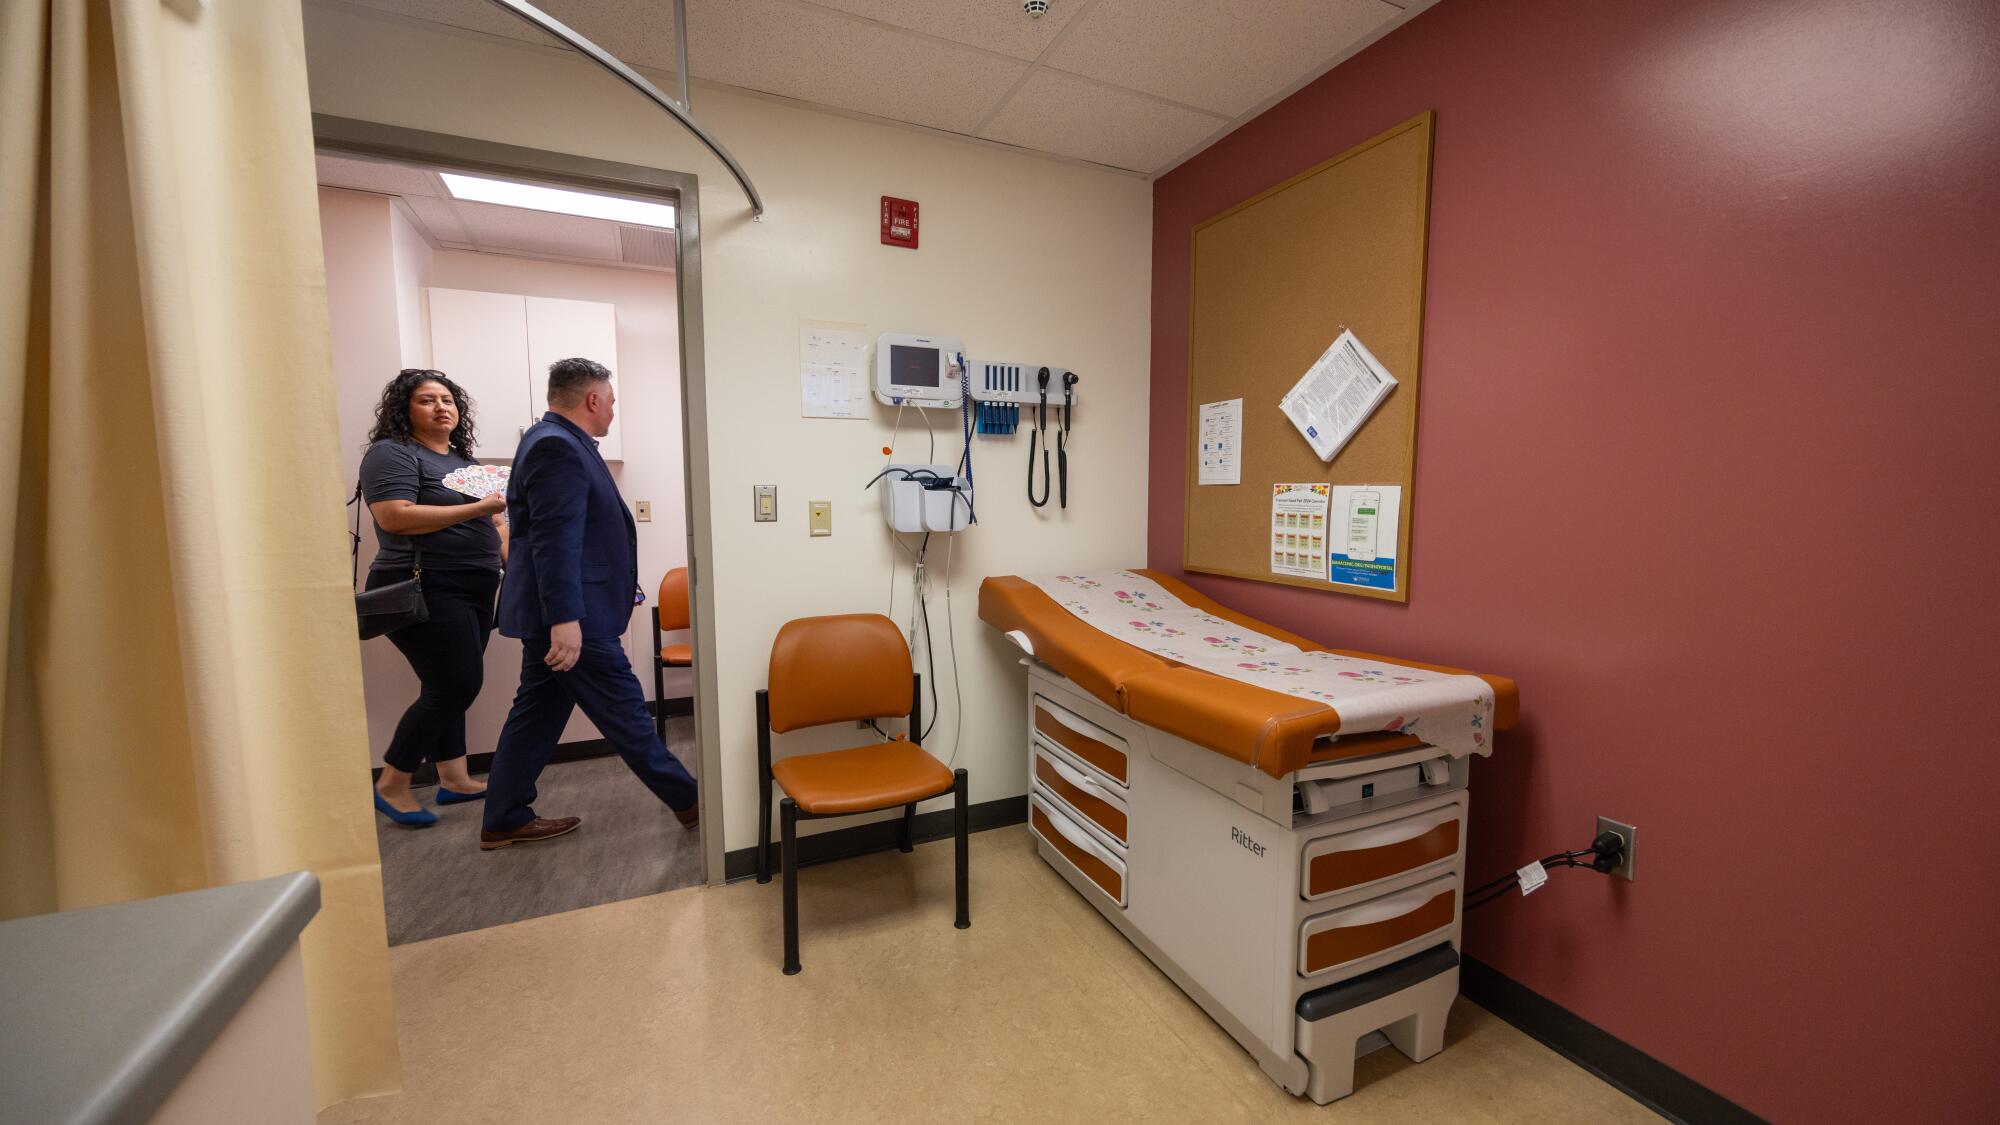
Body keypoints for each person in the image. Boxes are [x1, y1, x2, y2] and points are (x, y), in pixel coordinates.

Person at [480, 357, 699, 849]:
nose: (614, 411)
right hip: (569, 618)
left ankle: (504, 816)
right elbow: (556, 542)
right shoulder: (556, 446)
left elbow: (582, 538)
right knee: (626, 711)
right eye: (613, 401)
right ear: (593, 399)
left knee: (536, 714)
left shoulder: (556, 442)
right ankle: (692, 800)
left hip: (566, 611)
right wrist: (565, 619)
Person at [361, 369, 508, 828]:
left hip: (475, 587)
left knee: (447, 685)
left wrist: (512, 556)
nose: (441, 407)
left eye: (447, 399)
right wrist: (483, 507)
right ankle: (392, 783)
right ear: (404, 409)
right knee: (456, 685)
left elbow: (495, 527)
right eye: (427, 400)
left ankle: (454, 779)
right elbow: (395, 517)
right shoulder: (392, 453)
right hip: (425, 585)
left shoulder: (462, 461)